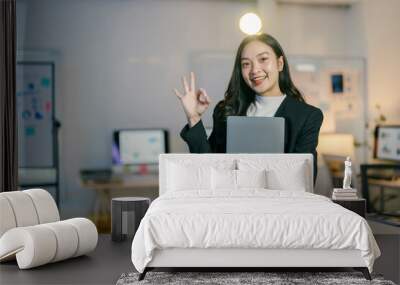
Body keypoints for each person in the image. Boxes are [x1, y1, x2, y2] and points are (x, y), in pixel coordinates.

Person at [173, 33, 323, 183]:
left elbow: (305, 180)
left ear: (280, 63)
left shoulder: (308, 116)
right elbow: (207, 168)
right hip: (232, 202)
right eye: (246, 64)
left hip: (279, 204)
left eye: (263, 59)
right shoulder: (227, 110)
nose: (254, 70)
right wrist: (193, 116)